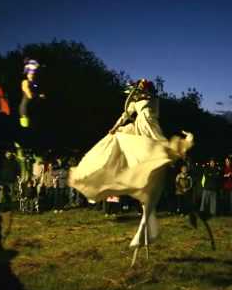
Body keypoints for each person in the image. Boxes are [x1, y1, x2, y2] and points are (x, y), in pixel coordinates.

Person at [68, 79, 193, 258]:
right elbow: (125, 114)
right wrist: (115, 127)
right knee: (120, 139)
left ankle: (151, 173)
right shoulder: (134, 102)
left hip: (151, 129)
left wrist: (142, 92)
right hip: (139, 128)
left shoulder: (154, 100)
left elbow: (152, 111)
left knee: (158, 152)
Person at [19, 59, 44, 128]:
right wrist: (39, 96)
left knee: (35, 129)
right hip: (25, 110)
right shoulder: (25, 82)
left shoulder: (35, 83)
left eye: (33, 72)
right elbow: (29, 95)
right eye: (30, 72)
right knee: (25, 129)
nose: (32, 74)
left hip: (32, 109)